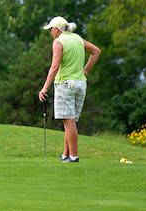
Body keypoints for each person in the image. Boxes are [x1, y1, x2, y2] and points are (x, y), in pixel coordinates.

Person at [38, 16, 101, 163]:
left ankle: (73, 157)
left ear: (57, 29)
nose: (50, 33)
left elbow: (54, 67)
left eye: (51, 30)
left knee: (68, 121)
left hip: (65, 84)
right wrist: (85, 70)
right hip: (80, 84)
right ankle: (65, 155)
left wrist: (44, 88)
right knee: (70, 122)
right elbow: (96, 51)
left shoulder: (58, 42)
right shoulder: (77, 38)